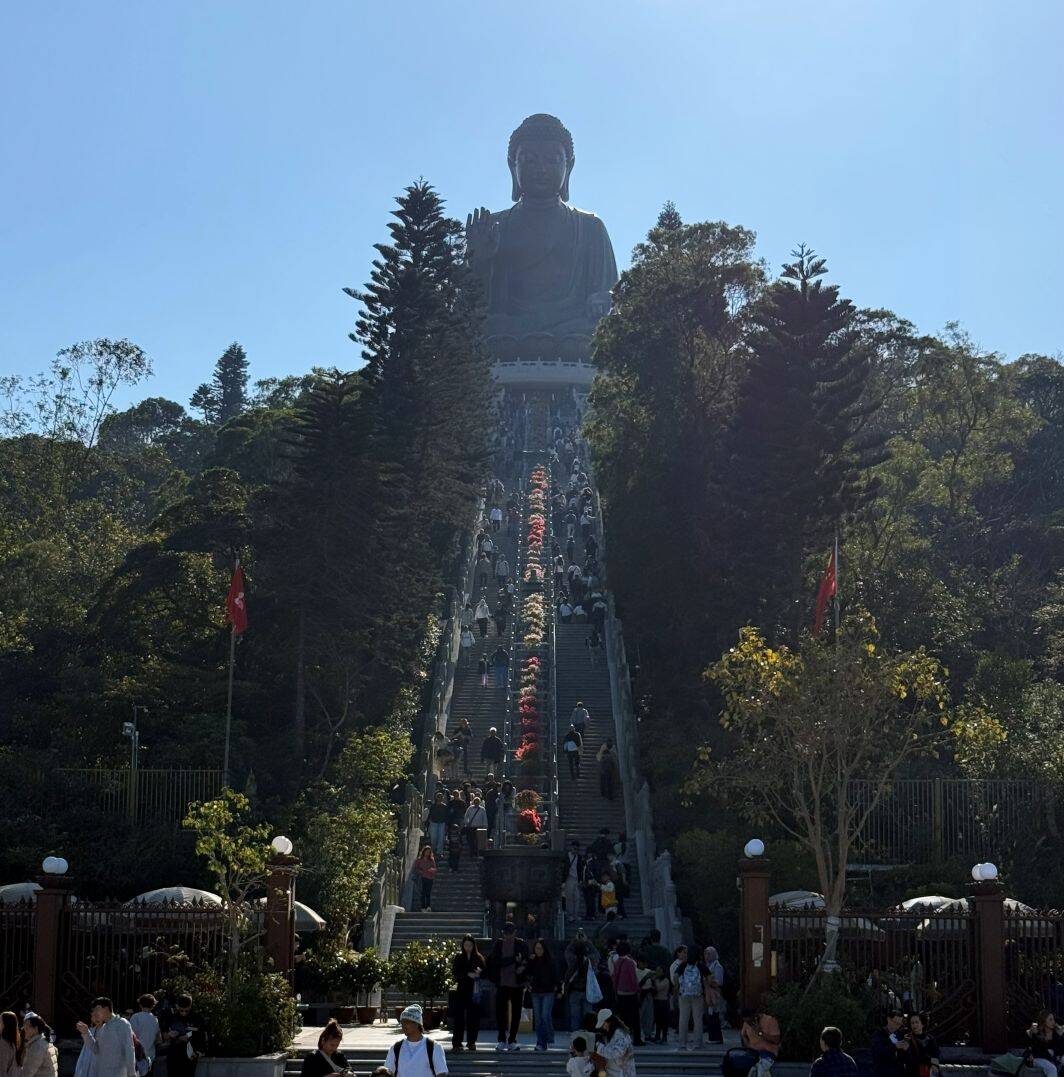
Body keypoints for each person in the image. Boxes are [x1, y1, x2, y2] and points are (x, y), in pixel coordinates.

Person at [487, 922, 529, 1051]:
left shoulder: (521, 944)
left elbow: (527, 959)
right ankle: (501, 1039)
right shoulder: (498, 945)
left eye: (510, 933)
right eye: (506, 934)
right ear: (503, 934)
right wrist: (512, 960)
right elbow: (494, 962)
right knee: (501, 1012)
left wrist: (522, 967)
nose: (508, 936)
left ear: (515, 932)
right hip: (502, 983)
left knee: (516, 1012)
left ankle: (512, 1039)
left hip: (517, 983)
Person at [384, 1005, 447, 1077]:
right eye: (402, 1022)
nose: (403, 1025)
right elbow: (387, 1073)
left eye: (407, 1022)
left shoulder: (434, 1047)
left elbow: (442, 1072)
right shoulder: (396, 1047)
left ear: (417, 1024)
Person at [78, 998, 135, 1077]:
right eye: (94, 1011)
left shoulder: (122, 1024)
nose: (95, 1013)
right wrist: (86, 1033)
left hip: (117, 1073)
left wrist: (131, 1074)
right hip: (101, 1072)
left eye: (97, 1010)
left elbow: (129, 1049)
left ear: (106, 1009)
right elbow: (96, 1049)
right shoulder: (103, 1027)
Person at [450, 935, 485, 1053]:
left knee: (473, 1018)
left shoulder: (478, 957)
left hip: (474, 991)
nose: (467, 948)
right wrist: (467, 974)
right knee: (459, 1018)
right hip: (461, 990)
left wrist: (479, 973)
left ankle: (471, 1042)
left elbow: (485, 971)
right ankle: (457, 1043)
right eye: (465, 945)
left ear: (473, 946)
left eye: (470, 945)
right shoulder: (459, 957)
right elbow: (455, 973)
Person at [528, 939, 561, 1051]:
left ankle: (549, 1038)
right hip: (536, 992)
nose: (538, 951)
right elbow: (528, 973)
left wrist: (559, 990)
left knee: (545, 1016)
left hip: (548, 991)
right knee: (538, 1019)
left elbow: (556, 976)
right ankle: (540, 1042)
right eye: (536, 948)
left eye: (540, 948)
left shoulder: (550, 961)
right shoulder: (533, 961)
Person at [161, 994, 205, 1077]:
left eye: (186, 1011)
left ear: (190, 1007)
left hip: (190, 1057)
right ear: (177, 1007)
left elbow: (202, 1037)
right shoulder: (171, 1018)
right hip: (174, 1056)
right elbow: (163, 1035)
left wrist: (198, 1052)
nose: (184, 1013)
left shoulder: (196, 1019)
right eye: (181, 1010)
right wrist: (169, 1035)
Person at [610, 942, 643, 1047]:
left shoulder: (617, 962)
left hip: (620, 992)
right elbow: (633, 978)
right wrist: (638, 990)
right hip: (630, 993)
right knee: (634, 1017)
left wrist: (614, 991)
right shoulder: (630, 963)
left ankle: (623, 1040)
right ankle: (636, 1039)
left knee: (623, 1018)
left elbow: (614, 978)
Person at [673, 950, 705, 1051]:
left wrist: (677, 988)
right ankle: (697, 1043)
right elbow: (709, 977)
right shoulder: (700, 965)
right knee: (698, 1019)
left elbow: (675, 976)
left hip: (684, 995)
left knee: (683, 1018)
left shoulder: (683, 965)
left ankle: (682, 1042)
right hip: (697, 995)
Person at [564, 930, 595, 1031]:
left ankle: (575, 1037)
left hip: (575, 990)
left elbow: (567, 952)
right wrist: (587, 942)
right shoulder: (590, 960)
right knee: (588, 1016)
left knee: (575, 1017)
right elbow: (596, 953)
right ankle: (588, 1035)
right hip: (587, 991)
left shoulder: (572, 959)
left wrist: (575, 940)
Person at [592, 1009, 636, 1077]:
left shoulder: (620, 1034)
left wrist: (599, 1047)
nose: (603, 1027)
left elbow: (616, 1053)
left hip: (622, 1073)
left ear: (608, 1022)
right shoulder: (613, 1034)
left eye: (603, 1024)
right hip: (616, 1072)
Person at [742, 1008, 781, 1077]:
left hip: (768, 1052)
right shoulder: (747, 1023)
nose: (750, 1024)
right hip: (753, 1051)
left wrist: (760, 1033)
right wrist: (747, 1044)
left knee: (761, 1068)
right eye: (748, 1022)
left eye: (750, 1021)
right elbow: (743, 1034)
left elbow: (776, 1040)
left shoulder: (770, 1021)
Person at [871, 1010, 909, 1077]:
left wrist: (906, 1050)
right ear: (888, 1019)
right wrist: (894, 1047)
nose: (896, 1026)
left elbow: (903, 1058)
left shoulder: (900, 1035)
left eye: (899, 1024)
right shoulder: (878, 1034)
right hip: (883, 1073)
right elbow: (878, 1052)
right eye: (895, 1023)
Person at [129, 996, 161, 1074]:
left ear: (140, 1005)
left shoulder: (135, 1017)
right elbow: (158, 1039)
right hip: (150, 1056)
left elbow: (130, 1036)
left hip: (137, 1056)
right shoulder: (155, 1020)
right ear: (153, 1006)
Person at [1028, 1011, 1064, 1077]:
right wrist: (1052, 1054)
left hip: (1053, 1056)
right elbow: (1038, 1050)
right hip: (1038, 1058)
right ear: (1044, 1021)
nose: (1053, 1022)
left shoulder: (1056, 1033)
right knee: (1052, 1068)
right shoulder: (1037, 1033)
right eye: (1050, 1020)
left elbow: (1060, 1049)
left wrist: (1060, 1036)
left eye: (1053, 1019)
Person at [703, 947, 725, 1045]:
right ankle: (712, 1037)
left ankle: (716, 1037)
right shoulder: (708, 965)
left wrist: (709, 981)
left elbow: (719, 982)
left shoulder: (717, 966)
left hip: (714, 993)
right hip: (709, 993)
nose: (706, 956)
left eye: (708, 954)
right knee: (711, 1015)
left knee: (714, 1016)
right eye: (705, 954)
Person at [650, 966, 671, 1045]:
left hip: (663, 1002)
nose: (657, 972)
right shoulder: (657, 979)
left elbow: (658, 988)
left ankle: (664, 1036)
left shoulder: (666, 980)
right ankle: (657, 1035)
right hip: (657, 1001)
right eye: (657, 970)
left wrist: (653, 980)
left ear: (663, 972)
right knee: (658, 1020)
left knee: (664, 1021)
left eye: (659, 971)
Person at [413, 846, 437, 911]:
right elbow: (416, 868)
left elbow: (435, 869)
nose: (427, 853)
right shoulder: (419, 860)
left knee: (428, 893)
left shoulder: (431, 860)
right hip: (422, 877)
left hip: (430, 878)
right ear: (423, 852)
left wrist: (432, 870)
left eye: (429, 852)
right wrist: (420, 871)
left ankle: (428, 906)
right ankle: (423, 907)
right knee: (423, 893)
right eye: (426, 852)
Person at [565, 841, 585, 916]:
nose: (575, 850)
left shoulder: (579, 857)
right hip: (569, 878)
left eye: (577, 849)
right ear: (571, 848)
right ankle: (570, 914)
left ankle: (575, 914)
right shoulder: (566, 856)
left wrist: (581, 880)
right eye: (574, 848)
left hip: (576, 878)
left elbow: (581, 869)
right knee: (569, 897)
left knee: (577, 897)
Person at [1, 1012, 24, 1077]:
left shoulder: (4, 1044)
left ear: (5, 1025)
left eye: (0, 1022)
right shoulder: (16, 1042)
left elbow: (2, 1070)